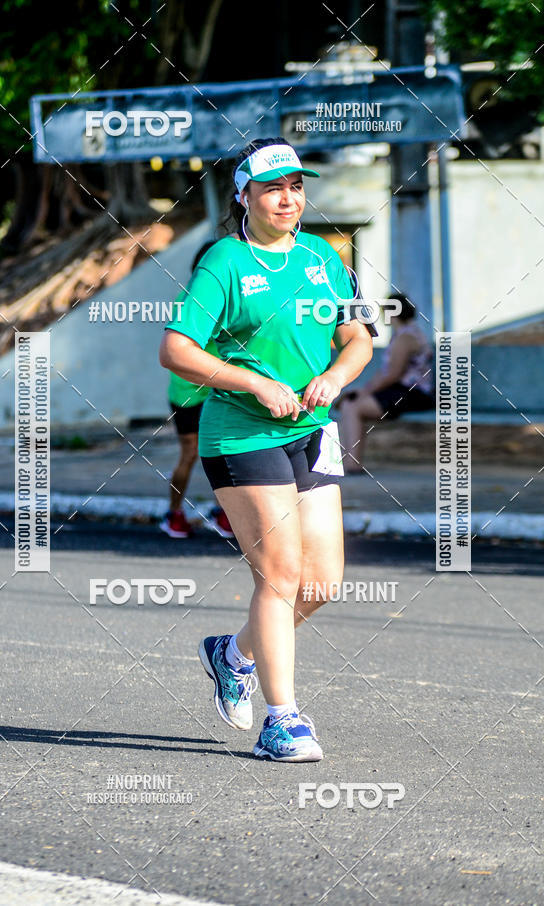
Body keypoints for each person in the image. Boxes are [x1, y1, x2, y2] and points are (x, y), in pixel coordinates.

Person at [159, 137, 376, 761]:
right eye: (273, 188)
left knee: (322, 584)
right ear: (245, 196)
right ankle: (282, 721)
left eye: (296, 186)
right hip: (243, 434)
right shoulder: (225, 262)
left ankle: (233, 654)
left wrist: (336, 376)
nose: (288, 197)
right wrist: (254, 380)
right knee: (279, 576)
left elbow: (357, 338)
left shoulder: (325, 257)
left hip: (313, 430)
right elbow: (177, 349)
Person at [160, 240, 234, 539]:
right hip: (190, 391)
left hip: (217, 388)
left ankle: (224, 513)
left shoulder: (220, 295)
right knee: (192, 454)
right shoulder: (195, 299)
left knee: (223, 453)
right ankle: (174, 514)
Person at [336, 293, 435, 474]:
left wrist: (364, 392)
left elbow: (393, 375)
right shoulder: (408, 333)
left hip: (412, 395)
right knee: (350, 404)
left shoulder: (405, 338)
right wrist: (363, 391)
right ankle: (350, 463)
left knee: (353, 407)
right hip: (403, 392)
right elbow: (387, 375)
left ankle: (352, 466)